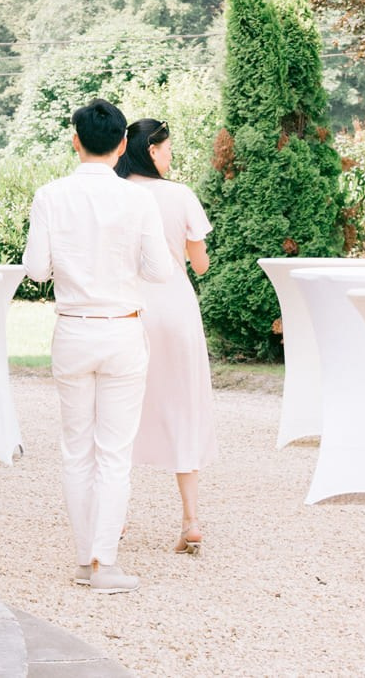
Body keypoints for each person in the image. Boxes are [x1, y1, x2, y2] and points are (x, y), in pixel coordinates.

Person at [23, 97, 177, 594]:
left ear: (76, 140)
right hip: (121, 328)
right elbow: (159, 270)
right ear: (122, 145)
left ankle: (84, 558)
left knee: (75, 451)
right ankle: (102, 561)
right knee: (114, 453)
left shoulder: (50, 195)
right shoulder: (138, 200)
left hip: (72, 327)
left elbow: (36, 269)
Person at [115, 118, 215, 553]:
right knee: (184, 406)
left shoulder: (116, 195)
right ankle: (191, 520)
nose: (171, 154)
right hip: (175, 307)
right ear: (152, 151)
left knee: (120, 410)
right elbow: (201, 265)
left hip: (128, 308)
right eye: (168, 147)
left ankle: (114, 520)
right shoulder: (179, 195)